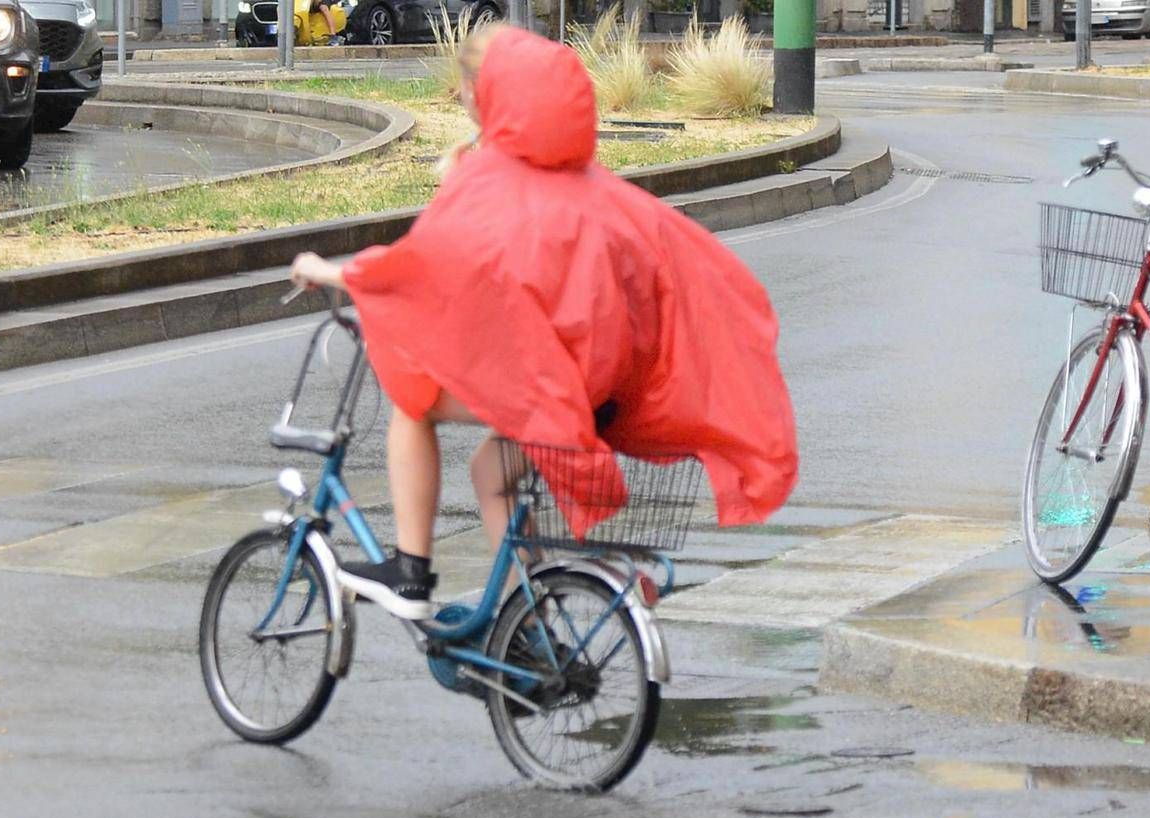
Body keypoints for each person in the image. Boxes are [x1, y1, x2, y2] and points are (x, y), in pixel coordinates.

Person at [289, 24, 798, 619]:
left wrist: (327, 272)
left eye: (466, 83)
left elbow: (421, 268)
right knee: (491, 470)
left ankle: (410, 572)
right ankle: (525, 613)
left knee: (412, 400)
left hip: (549, 390)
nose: (460, 95)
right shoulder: (599, 191)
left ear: (493, 91)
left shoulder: (491, 182)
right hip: (595, 388)